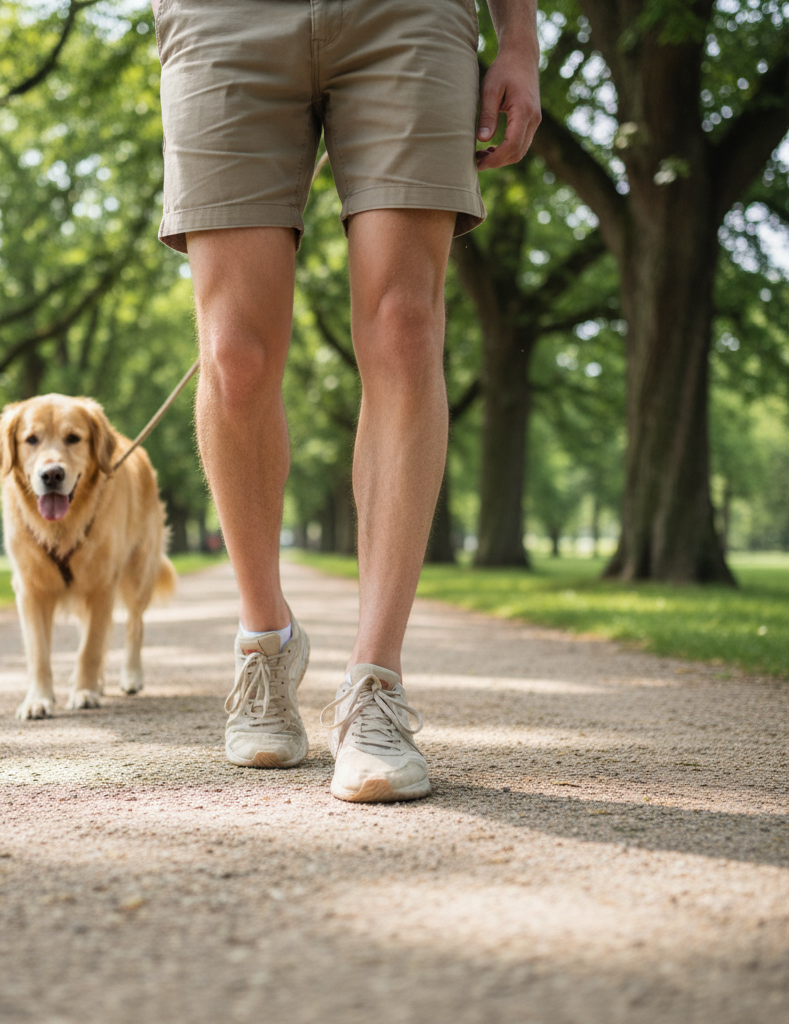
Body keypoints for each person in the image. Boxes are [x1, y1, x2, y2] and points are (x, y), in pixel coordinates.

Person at [151, 0, 541, 801]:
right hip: (225, 21)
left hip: (408, 15)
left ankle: (376, 685)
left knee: (404, 327)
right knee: (234, 354)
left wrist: (520, 39)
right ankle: (267, 642)